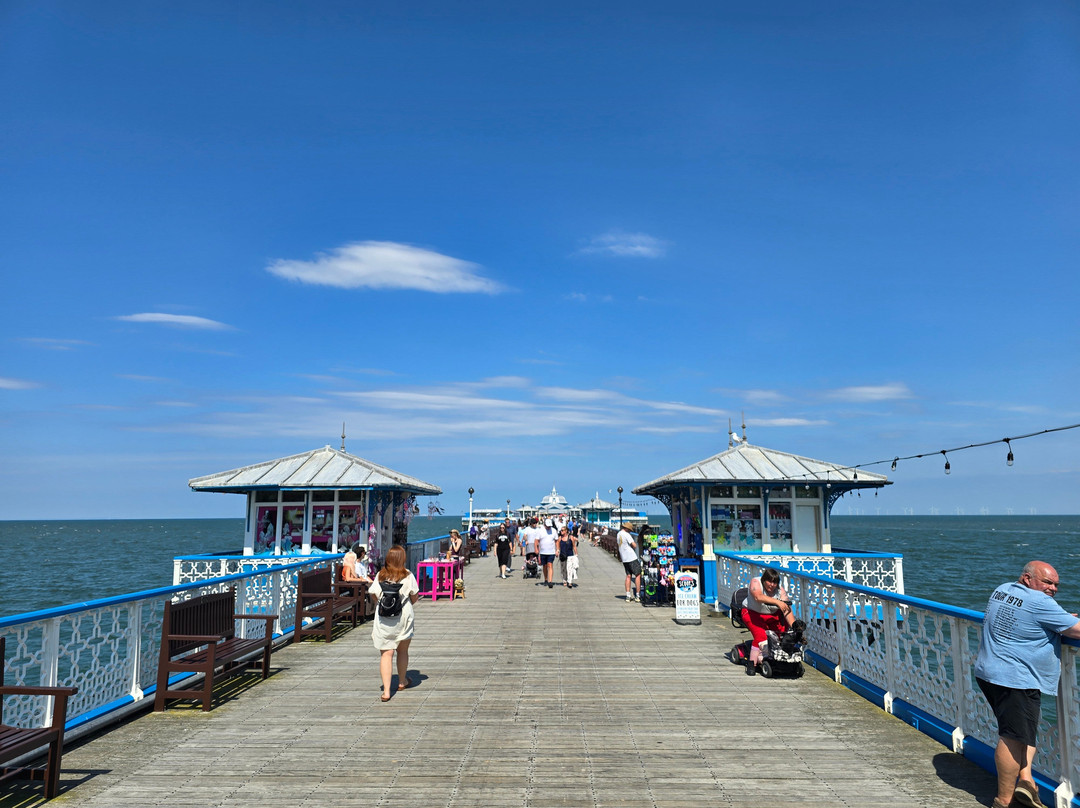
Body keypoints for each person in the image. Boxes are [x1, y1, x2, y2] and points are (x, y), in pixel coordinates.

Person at [975, 561, 1080, 808]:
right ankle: (1003, 801)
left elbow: (1030, 616)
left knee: (1023, 730)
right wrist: (1064, 622)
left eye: (1056, 585)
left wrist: (1060, 619)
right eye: (1047, 582)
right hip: (1015, 679)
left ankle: (1026, 780)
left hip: (988, 672)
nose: (1053, 588)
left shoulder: (1002, 589)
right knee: (1012, 737)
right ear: (1026, 578)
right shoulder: (1040, 603)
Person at [368, 544, 420, 702]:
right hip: (403, 617)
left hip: (384, 618)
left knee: (386, 653)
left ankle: (386, 692)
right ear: (402, 559)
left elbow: (373, 594)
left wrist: (382, 606)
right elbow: (415, 597)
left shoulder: (380, 575)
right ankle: (402, 682)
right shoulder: (408, 575)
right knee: (402, 651)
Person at [742, 567, 796, 675]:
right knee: (761, 637)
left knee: (781, 635)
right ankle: (752, 664)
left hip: (771, 615)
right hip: (752, 613)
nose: (771, 585)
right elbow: (758, 597)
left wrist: (794, 627)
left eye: (774, 582)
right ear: (764, 580)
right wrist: (777, 602)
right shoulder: (756, 582)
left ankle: (778, 660)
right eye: (769, 581)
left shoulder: (780, 591)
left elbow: (787, 610)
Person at [617, 522, 641, 602]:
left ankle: (628, 595)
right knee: (637, 575)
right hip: (631, 557)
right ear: (627, 528)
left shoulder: (619, 534)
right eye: (630, 530)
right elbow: (634, 545)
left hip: (624, 558)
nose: (630, 531)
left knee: (628, 576)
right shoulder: (627, 534)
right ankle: (637, 595)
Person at [537, 518, 558, 588]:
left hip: (551, 552)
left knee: (550, 565)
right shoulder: (540, 531)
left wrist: (557, 550)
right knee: (545, 566)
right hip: (543, 552)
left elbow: (556, 541)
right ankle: (546, 578)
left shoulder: (554, 531)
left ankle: (550, 581)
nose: (549, 527)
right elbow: (536, 541)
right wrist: (536, 550)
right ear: (544, 525)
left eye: (550, 526)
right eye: (547, 526)